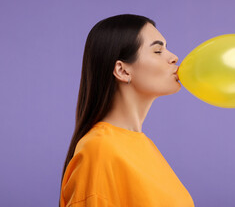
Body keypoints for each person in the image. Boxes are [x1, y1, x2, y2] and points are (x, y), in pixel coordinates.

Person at [59, 14, 194, 206]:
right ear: (122, 71)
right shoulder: (98, 150)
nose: (173, 57)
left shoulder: (142, 145)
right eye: (158, 51)